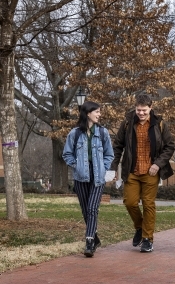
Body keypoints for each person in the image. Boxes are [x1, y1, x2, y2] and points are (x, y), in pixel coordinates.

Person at [111, 94, 175, 253]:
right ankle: (140, 228)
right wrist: (113, 168)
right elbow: (117, 146)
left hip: (151, 172)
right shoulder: (127, 123)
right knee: (130, 202)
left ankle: (147, 239)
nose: (141, 113)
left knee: (148, 204)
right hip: (131, 170)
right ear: (135, 107)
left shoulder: (159, 124)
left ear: (150, 108)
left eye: (144, 110)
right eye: (138, 110)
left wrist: (158, 164)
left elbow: (169, 147)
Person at [62, 101, 114, 257]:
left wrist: (104, 168)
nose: (99, 114)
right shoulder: (75, 133)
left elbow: (109, 154)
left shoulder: (103, 133)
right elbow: (67, 154)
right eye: (96, 112)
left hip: (98, 176)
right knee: (86, 210)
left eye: (99, 112)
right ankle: (95, 237)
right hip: (81, 176)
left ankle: (89, 241)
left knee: (92, 208)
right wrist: (76, 165)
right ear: (87, 113)